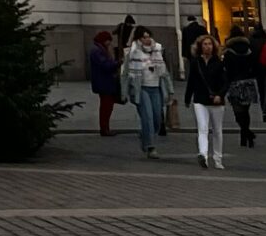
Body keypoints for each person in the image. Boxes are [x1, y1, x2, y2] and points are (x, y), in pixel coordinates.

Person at [121, 24, 172, 158]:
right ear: (138, 39)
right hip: (141, 89)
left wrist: (170, 90)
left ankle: (145, 134)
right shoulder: (132, 53)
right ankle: (150, 147)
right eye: (144, 37)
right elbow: (125, 73)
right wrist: (124, 92)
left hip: (156, 88)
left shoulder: (158, 51)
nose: (147, 39)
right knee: (147, 117)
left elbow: (165, 72)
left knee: (157, 118)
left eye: (149, 36)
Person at [184, 32, 229, 169]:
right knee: (202, 128)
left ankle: (218, 158)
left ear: (214, 47)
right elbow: (191, 81)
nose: (207, 47)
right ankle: (203, 154)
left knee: (217, 130)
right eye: (205, 44)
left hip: (216, 101)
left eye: (210, 44)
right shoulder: (195, 62)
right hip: (200, 100)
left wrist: (220, 95)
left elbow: (225, 82)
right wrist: (187, 97)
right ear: (200, 46)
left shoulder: (219, 63)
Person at [221, 27, 260, 148]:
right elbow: (256, 65)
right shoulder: (250, 50)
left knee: (238, 112)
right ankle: (246, 135)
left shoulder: (228, 52)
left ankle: (246, 133)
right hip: (248, 82)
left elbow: (226, 70)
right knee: (245, 110)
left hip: (235, 84)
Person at [87, 29, 121, 137]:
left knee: (107, 106)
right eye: (108, 41)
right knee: (106, 107)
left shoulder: (99, 49)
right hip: (104, 82)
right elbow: (105, 65)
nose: (109, 43)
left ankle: (105, 128)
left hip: (104, 82)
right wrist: (117, 63)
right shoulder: (98, 51)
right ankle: (104, 128)